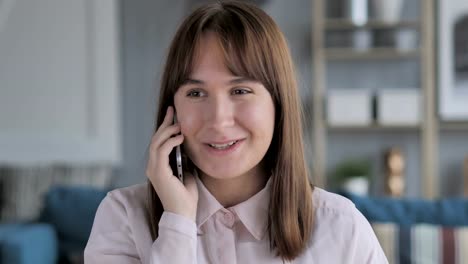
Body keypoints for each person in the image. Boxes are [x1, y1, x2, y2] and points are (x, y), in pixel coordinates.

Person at [84, 1, 388, 263]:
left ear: (278, 104)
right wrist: (177, 224)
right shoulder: (123, 217)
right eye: (195, 93)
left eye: (240, 90)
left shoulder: (341, 227)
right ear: (171, 108)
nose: (218, 120)